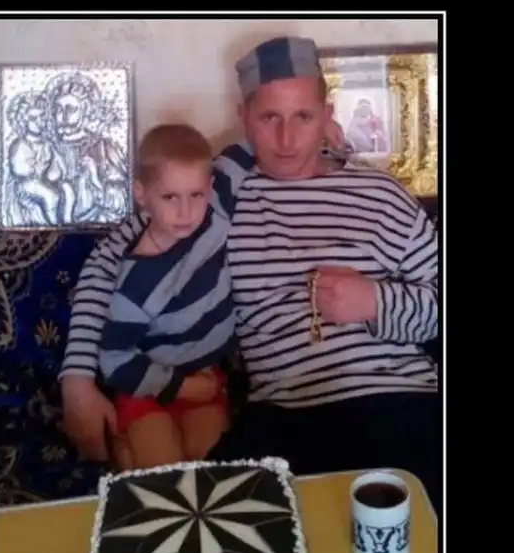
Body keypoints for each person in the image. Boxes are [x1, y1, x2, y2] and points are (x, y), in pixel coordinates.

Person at [60, 35, 439, 512]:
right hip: (284, 414)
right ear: (243, 117)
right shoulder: (214, 196)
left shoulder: (382, 194)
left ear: (326, 114)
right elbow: (105, 264)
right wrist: (77, 381)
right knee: (229, 526)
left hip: (400, 398)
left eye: (303, 117)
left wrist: (376, 302)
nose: (287, 139)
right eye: (269, 118)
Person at [97, 123, 236, 468]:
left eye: (196, 195)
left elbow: (254, 145)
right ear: (141, 195)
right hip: (147, 386)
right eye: (170, 197)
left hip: (205, 377)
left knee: (210, 465)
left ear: (210, 188)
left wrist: (326, 126)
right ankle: (127, 451)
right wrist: (183, 387)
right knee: (165, 471)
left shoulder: (217, 211)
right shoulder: (138, 282)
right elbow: (114, 360)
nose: (186, 212)